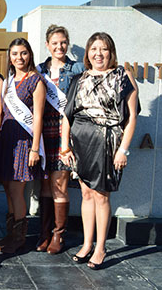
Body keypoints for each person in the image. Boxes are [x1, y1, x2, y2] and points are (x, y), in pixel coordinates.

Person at [62, 32, 138, 270]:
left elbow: (132, 117)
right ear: (87, 53)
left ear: (111, 52)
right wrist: (65, 146)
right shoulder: (79, 78)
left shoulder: (124, 76)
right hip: (81, 142)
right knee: (85, 194)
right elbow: (67, 116)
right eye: (94, 49)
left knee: (101, 196)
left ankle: (101, 248)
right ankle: (86, 244)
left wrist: (123, 150)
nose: (98, 54)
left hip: (108, 143)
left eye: (103, 49)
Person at [34, 25, 85, 254]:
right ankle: (43, 233)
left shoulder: (77, 69)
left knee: (60, 184)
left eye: (63, 42)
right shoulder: (39, 70)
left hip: (65, 132)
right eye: (54, 43)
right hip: (43, 133)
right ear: (47, 45)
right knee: (45, 184)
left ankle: (58, 235)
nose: (59, 46)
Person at [0, 38, 46, 254]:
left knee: (17, 189)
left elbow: (38, 118)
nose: (19, 58)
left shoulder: (36, 81)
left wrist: (35, 149)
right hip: (7, 140)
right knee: (7, 188)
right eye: (15, 54)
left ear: (30, 54)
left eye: (23, 53)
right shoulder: (8, 81)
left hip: (24, 141)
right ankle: (10, 233)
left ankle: (19, 237)